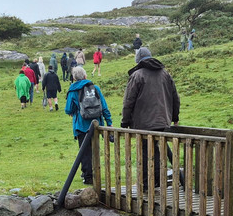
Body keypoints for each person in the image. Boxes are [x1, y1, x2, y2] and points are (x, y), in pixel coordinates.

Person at [121, 46, 180, 192]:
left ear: (138, 60)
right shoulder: (165, 73)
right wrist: (174, 117)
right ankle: (158, 181)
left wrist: (125, 121)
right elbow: (175, 97)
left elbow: (129, 100)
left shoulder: (137, 75)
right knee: (159, 151)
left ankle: (146, 185)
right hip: (163, 120)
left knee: (146, 152)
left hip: (143, 123)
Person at [64, 66, 112, 185]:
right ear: (85, 76)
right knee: (95, 149)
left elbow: (68, 109)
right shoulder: (95, 88)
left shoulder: (73, 90)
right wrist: (109, 122)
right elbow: (104, 106)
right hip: (96, 125)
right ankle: (95, 172)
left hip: (81, 125)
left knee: (85, 152)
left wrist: (74, 112)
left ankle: (88, 176)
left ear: (74, 78)